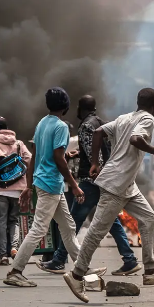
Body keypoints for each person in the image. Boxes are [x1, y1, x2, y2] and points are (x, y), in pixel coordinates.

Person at [62, 88, 154, 302]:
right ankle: (76, 275)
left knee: (149, 218)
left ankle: (150, 271)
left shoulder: (125, 117)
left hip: (127, 185)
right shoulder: (148, 119)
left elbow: (99, 133)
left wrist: (95, 162)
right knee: (97, 230)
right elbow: (136, 139)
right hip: (116, 184)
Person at [42, 95, 139, 276]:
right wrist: (78, 154)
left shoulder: (87, 125)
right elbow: (100, 149)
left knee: (74, 220)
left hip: (92, 181)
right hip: (105, 178)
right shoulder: (102, 122)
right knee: (111, 220)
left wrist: (96, 173)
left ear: (81, 108)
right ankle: (129, 259)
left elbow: (95, 155)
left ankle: (58, 259)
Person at [3, 89, 87, 286]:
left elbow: (34, 157)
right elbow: (59, 159)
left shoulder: (42, 123)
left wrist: (29, 185)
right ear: (66, 106)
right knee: (39, 229)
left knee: (68, 227)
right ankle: (16, 271)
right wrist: (74, 185)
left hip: (47, 183)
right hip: (50, 183)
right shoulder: (61, 127)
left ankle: (83, 268)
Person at [0, 116, 33, 265]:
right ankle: (14, 247)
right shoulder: (18, 144)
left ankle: (3, 255)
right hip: (18, 189)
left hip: (0, 189)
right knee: (14, 221)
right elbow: (29, 159)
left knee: (0, 222)